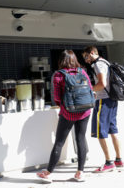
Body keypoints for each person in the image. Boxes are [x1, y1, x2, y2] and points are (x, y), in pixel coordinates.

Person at [36, 50, 93, 183]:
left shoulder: (58, 75)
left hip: (68, 112)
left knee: (59, 142)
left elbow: (56, 97)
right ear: (74, 59)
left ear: (61, 60)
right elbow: (90, 89)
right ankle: (80, 172)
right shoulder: (82, 72)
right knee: (81, 139)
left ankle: (48, 172)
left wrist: (63, 106)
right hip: (85, 110)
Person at [82, 46, 124, 173]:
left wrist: (88, 89)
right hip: (112, 100)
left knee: (100, 133)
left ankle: (108, 162)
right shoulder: (106, 62)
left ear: (93, 53)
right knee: (113, 130)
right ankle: (118, 159)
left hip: (103, 101)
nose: (86, 60)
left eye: (86, 56)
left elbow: (102, 84)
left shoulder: (98, 65)